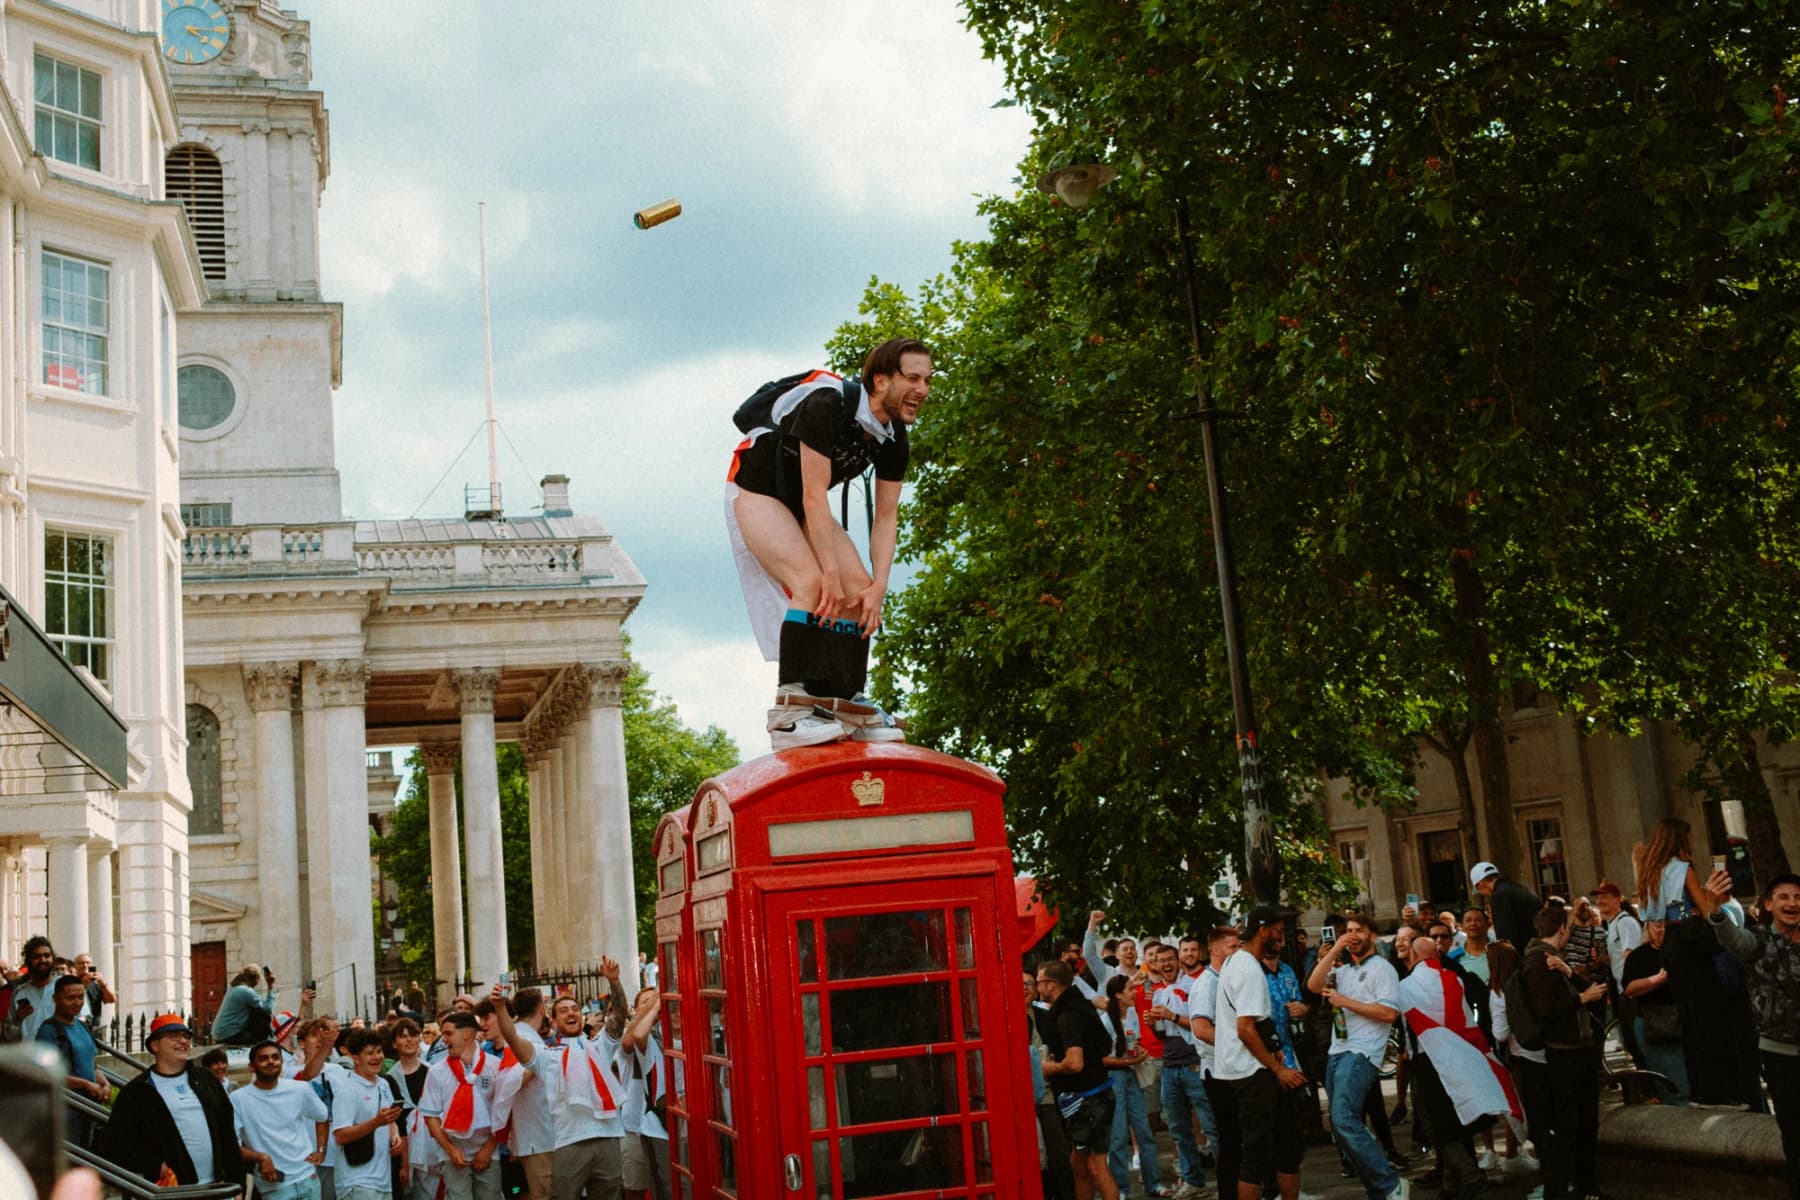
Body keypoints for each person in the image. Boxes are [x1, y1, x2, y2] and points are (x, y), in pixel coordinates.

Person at [725, 337, 930, 749]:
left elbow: (886, 517)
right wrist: (829, 574)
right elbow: (814, 497)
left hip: (801, 506)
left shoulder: (894, 439)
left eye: (927, 380)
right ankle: (789, 714)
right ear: (880, 380)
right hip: (757, 492)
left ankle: (849, 704)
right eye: (912, 378)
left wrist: (879, 587)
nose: (923, 390)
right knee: (813, 582)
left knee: (858, 591)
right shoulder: (827, 404)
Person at [491, 958, 633, 1200]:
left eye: (575, 1009)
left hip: (609, 1136)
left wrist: (614, 981)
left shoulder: (599, 1045)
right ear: (553, 1021)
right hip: (570, 1142)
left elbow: (619, 1016)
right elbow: (513, 1039)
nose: (571, 1013)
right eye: (564, 1010)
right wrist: (499, 1007)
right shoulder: (547, 1055)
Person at [1399, 921, 1519, 1198]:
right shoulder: (1455, 980)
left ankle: (1467, 1174)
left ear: (1415, 957)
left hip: (1428, 1059)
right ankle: (1453, 1183)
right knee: (1457, 1117)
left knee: (1437, 1124)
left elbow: (1410, 1027)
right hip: (1460, 1053)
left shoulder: (1406, 986)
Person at [1708, 870, 1800, 1199]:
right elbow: (1734, 940)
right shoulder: (1759, 940)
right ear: (1769, 905)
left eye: (1798, 897)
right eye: (1784, 897)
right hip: (1781, 1055)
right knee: (1794, 1133)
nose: (1792, 903)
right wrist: (1717, 910)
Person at [1309, 913, 1408, 1200]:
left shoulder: (1382, 969)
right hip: (1337, 1050)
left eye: (1358, 931)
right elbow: (1314, 986)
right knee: (1340, 1128)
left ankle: (1391, 1184)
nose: (1353, 935)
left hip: (1362, 1051)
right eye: (1348, 931)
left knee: (1344, 1118)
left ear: (1373, 936)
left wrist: (1344, 1002)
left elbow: (1389, 1013)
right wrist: (1335, 949)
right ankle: (1378, 1189)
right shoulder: (1345, 970)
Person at [1212, 908, 1305, 1200]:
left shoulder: (1237, 962)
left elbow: (1258, 1020)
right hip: (1252, 1075)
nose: (1282, 937)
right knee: (1256, 1156)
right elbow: (1245, 1028)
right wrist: (1279, 1070)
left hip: (1246, 1071)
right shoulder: (1249, 969)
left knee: (1285, 1145)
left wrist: (1275, 1050)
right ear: (1263, 929)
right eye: (1278, 930)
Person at [1524, 904, 1608, 1200]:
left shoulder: (1556, 960)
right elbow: (1545, 1010)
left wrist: (1571, 973)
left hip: (1580, 1050)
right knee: (1569, 1127)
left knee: (1587, 1124)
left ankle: (1588, 1188)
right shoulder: (1537, 961)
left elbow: (1596, 992)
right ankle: (1561, 1190)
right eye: (1569, 929)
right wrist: (1581, 998)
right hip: (1564, 1054)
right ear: (1562, 929)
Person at [101, 1013, 243, 1186]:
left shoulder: (206, 1079)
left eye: (186, 1036)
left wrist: (237, 1183)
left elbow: (227, 1133)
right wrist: (154, 1166)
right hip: (174, 1191)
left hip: (219, 1188)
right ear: (155, 1045)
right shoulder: (137, 1091)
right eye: (174, 1036)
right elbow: (115, 1144)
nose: (183, 1041)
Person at [1035, 958, 1119, 1200]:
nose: (1037, 989)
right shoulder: (1082, 1006)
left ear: (1050, 985)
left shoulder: (1067, 1015)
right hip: (1098, 1094)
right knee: (1080, 1165)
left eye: (1039, 982)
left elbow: (1074, 1062)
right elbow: (1105, 1045)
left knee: (1095, 1166)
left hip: (1087, 1101)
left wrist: (1051, 1067)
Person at [1158, 936, 1219, 1198]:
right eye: (1161, 961)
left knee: (1211, 1125)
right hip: (1169, 1064)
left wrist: (1171, 1016)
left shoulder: (1195, 986)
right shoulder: (1159, 992)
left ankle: (1230, 1181)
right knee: (1178, 1128)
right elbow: (1164, 1033)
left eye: (1171, 959)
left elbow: (1199, 1025)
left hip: (1194, 1063)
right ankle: (1193, 1181)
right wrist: (1154, 1022)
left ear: (1179, 961)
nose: (1166, 964)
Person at [420, 1011, 504, 1200]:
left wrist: (488, 1149)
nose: (443, 1040)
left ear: (466, 1034)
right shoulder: (437, 1071)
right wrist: (450, 1150)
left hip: (488, 1149)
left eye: (448, 1033)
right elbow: (430, 1117)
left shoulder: (494, 1066)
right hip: (453, 1149)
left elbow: (503, 1113)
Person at [234, 1039, 331, 1200]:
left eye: (275, 1057)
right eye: (263, 1058)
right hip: (275, 1187)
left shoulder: (299, 1089)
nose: (271, 1062)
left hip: (308, 1179)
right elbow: (232, 1145)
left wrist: (321, 1150)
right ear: (252, 1066)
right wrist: (261, 1158)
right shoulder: (238, 1099)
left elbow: (322, 1117)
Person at [1099, 974, 1162, 1198]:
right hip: (1114, 1077)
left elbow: (1134, 1042)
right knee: (1117, 1136)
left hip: (1131, 1074)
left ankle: (1153, 1183)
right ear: (1118, 994)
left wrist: (1139, 1054)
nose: (1134, 992)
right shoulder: (1106, 1021)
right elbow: (1101, 1058)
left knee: (1143, 1130)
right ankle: (1122, 1188)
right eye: (1129, 989)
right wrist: (1129, 1061)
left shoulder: (1133, 1014)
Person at [333, 1027, 406, 1199]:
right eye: (370, 1053)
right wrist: (376, 1122)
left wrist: (394, 1135)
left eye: (379, 1051)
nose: (377, 1057)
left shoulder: (384, 1084)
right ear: (355, 1058)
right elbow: (341, 1135)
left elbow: (389, 1120)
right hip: (356, 1182)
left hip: (383, 1179)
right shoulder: (347, 1089)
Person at [1621, 918, 1688, 1103]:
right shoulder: (1638, 956)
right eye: (1657, 924)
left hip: (1686, 1020)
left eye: (1666, 925)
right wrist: (1658, 979)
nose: (1662, 929)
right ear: (1648, 927)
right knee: (1673, 1086)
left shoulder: (1685, 952)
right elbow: (1629, 989)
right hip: (1656, 1025)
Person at [36, 974, 107, 1147]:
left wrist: (104, 1083)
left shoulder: (82, 1026)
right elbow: (46, 1074)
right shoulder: (49, 1031)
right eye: (70, 998)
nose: (77, 1002)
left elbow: (92, 1063)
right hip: (66, 1110)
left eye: (80, 997)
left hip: (87, 1108)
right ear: (55, 999)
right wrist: (85, 1084)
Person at [1593, 880, 1645, 1068]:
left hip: (1629, 991)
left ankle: (1651, 1089)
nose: (1600, 900)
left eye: (1605, 896)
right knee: (1629, 1040)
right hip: (1621, 990)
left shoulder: (1626, 923)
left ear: (1618, 899)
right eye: (1598, 896)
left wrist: (1627, 990)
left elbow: (1630, 956)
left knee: (1635, 1040)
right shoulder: (1612, 925)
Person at [1633, 816, 1718, 923]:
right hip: (1685, 930)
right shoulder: (1683, 869)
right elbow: (1706, 911)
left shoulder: (1651, 871)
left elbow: (1642, 899)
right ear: (1681, 840)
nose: (1691, 841)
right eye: (1688, 837)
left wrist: (1637, 866)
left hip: (1662, 934)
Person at [1470, 863, 1541, 950]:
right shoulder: (1521, 888)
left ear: (1480, 884)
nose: (1483, 895)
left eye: (1478, 890)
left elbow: (1505, 937)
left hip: (1524, 952)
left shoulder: (1499, 896)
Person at [7, 936, 58, 1043]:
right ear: (28, 961)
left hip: (60, 1056)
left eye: (47, 955)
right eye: (37, 956)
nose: (43, 960)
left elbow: (83, 1022)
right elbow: (9, 1036)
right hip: (29, 1056)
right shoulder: (19, 992)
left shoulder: (65, 986)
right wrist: (18, 1019)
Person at [214, 963, 277, 1045]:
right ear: (256, 979)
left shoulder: (234, 988)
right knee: (262, 1018)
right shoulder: (246, 991)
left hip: (220, 1034)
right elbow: (268, 1009)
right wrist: (270, 985)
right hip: (231, 1035)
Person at [71, 952, 114, 1031]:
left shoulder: (96, 983)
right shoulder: (71, 982)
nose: (85, 965)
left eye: (88, 963)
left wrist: (102, 983)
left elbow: (111, 1000)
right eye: (81, 963)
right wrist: (84, 984)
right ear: (75, 966)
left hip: (94, 1028)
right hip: (76, 1027)